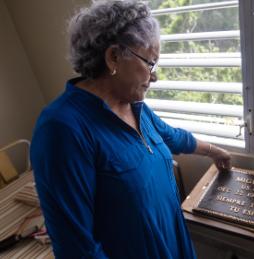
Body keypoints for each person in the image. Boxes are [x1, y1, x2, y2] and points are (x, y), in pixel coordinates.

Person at [30, 1, 231, 258]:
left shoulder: (133, 105)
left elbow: (171, 137)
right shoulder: (62, 130)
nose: (155, 77)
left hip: (172, 242)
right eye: (151, 63)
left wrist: (215, 152)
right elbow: (76, 248)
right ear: (114, 57)